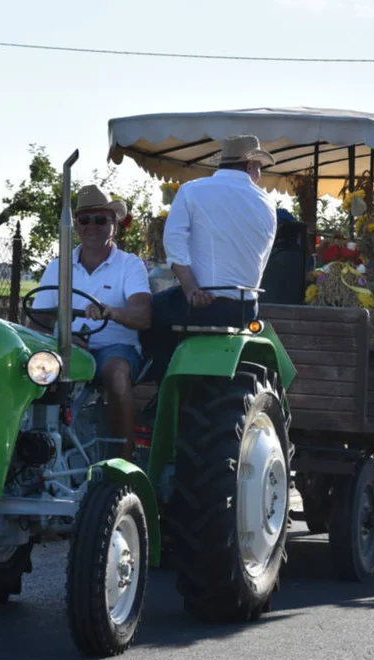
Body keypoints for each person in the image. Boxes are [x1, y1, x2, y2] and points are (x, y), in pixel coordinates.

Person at [28, 184, 152, 460]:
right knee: (25, 371)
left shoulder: (130, 265)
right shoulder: (58, 266)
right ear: (77, 225)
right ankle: (28, 452)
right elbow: (36, 322)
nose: (92, 226)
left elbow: (143, 316)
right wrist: (63, 338)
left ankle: (123, 458)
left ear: (114, 225)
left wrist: (111, 312)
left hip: (114, 347)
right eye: (85, 220)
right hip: (66, 348)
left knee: (117, 374)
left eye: (101, 219)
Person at [140, 135, 278, 379]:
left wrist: (191, 289)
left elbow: (173, 242)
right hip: (246, 308)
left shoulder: (192, 190)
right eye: (259, 166)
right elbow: (262, 258)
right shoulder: (267, 203)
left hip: (201, 306)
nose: (260, 173)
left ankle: (162, 379)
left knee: (147, 313)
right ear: (249, 166)